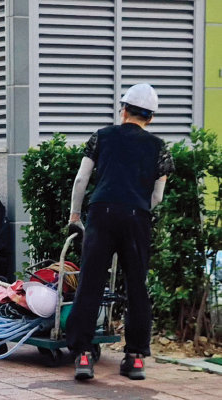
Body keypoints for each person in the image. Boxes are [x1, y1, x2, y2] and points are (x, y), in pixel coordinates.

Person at [66, 83, 174, 381]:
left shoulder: (101, 137)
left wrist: (76, 215)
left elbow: (81, 180)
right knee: (136, 285)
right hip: (137, 216)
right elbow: (158, 196)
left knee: (90, 281)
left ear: (123, 110)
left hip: (102, 213)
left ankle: (84, 355)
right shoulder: (158, 146)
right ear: (150, 117)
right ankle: (136, 357)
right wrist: (138, 207)